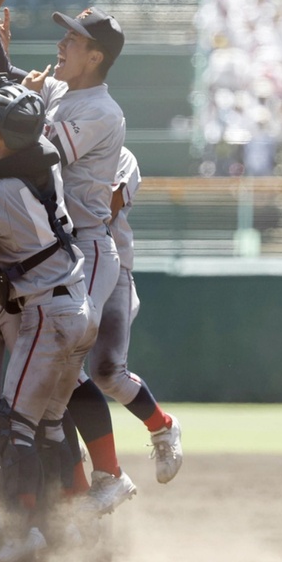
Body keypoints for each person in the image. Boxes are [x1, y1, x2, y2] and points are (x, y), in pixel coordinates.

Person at [0, 0, 136, 516]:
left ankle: (107, 476)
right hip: (60, 244)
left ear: (95, 57)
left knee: (67, 378)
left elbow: (43, 155)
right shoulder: (63, 90)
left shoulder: (101, 111)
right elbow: (8, 94)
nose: (62, 45)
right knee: (51, 400)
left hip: (89, 248)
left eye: (73, 40)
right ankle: (67, 511)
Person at [0, 79, 99, 562]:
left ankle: (19, 533)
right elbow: (25, 157)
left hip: (48, 313)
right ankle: (58, 528)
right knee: (49, 424)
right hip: (79, 304)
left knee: (11, 425)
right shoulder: (44, 154)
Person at [91, 146, 183, 483]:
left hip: (112, 270)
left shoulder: (120, 156)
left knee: (106, 373)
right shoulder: (52, 151)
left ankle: (162, 428)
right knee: (58, 379)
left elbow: (108, 208)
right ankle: (89, 476)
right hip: (62, 273)